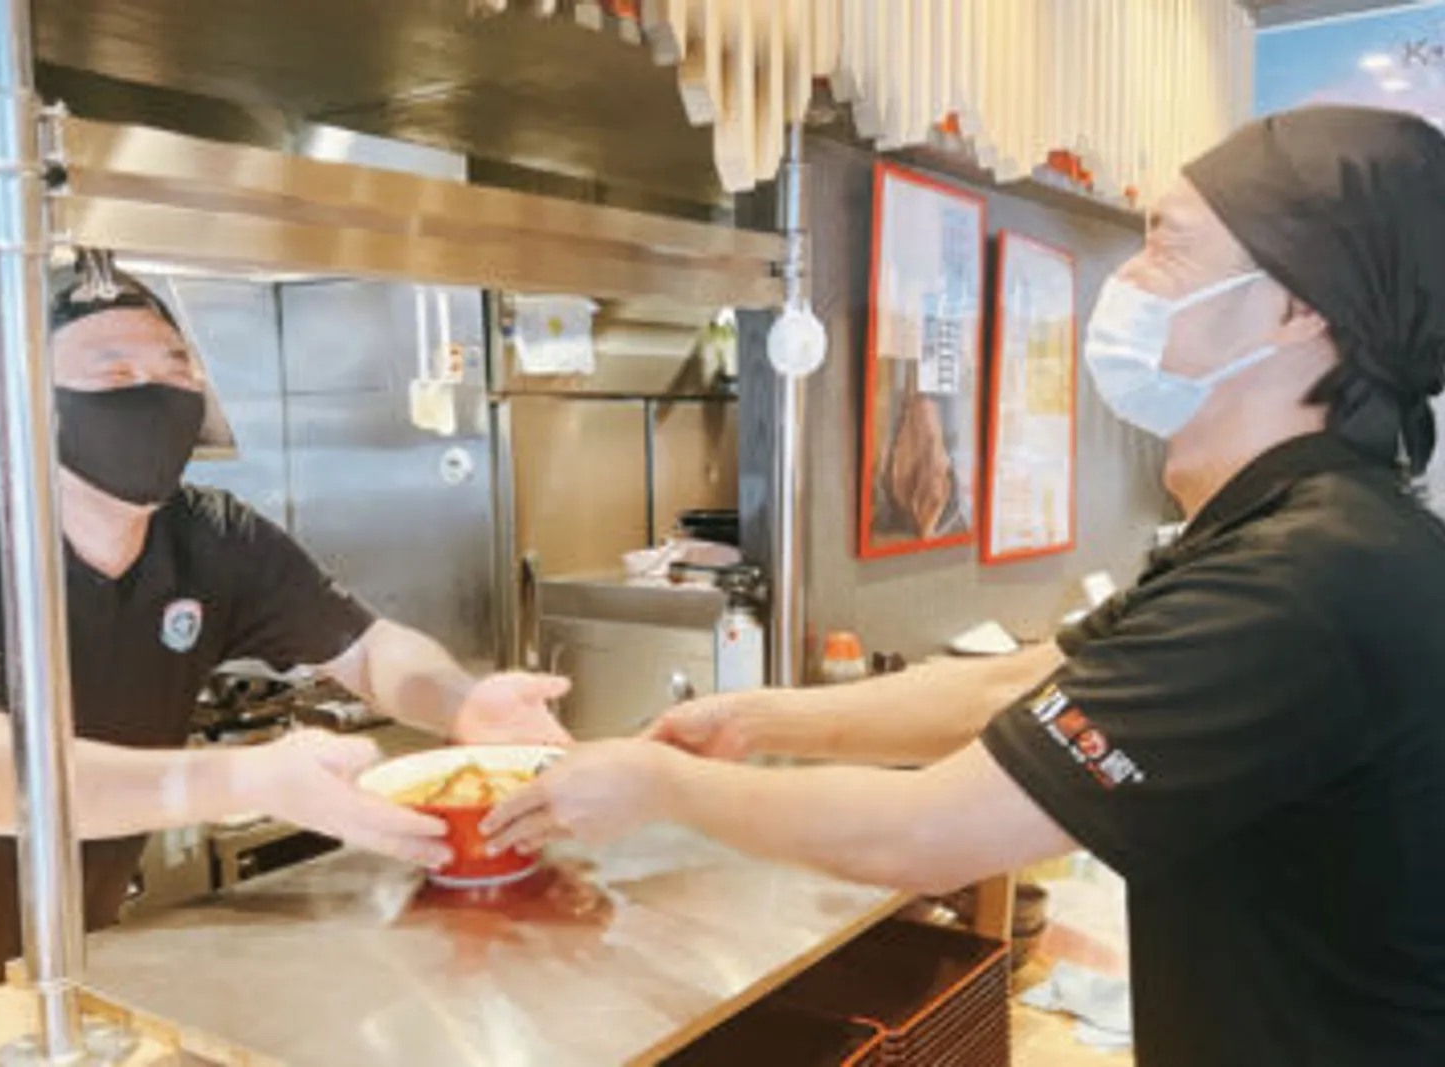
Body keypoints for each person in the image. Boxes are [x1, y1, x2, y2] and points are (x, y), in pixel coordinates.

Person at [486, 106, 1445, 1066]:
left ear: (1298, 308)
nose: (1128, 283)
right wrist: (759, 719)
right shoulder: (1298, 526)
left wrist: (663, 786)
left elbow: (931, 831)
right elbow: (1022, 681)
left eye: (1169, 250)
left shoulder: (1304, 577)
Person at [0, 250, 570, 996]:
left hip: (84, 951)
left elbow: (364, 648)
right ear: (28, 403)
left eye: (175, 367)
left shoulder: (212, 534)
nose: (155, 391)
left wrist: (461, 701)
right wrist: (246, 777)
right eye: (115, 373)